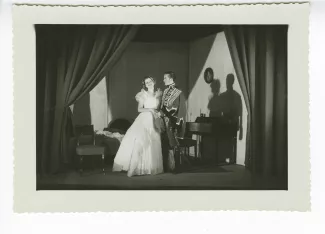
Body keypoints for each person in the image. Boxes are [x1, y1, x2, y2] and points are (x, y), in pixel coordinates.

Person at [112, 76, 164, 177]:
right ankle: (133, 168)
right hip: (144, 119)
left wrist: (158, 98)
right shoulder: (142, 95)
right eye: (146, 82)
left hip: (154, 120)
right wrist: (150, 110)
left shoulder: (158, 94)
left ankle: (147, 168)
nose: (148, 83)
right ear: (144, 85)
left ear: (154, 82)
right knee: (140, 142)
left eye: (150, 81)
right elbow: (139, 109)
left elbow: (157, 108)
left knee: (152, 143)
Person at [158, 71, 186, 174]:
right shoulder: (165, 91)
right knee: (164, 143)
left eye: (165, 78)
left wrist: (165, 114)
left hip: (172, 121)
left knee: (173, 143)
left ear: (171, 79)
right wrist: (160, 113)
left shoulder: (178, 91)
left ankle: (175, 167)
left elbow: (177, 108)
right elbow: (162, 105)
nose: (163, 80)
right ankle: (167, 166)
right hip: (163, 121)